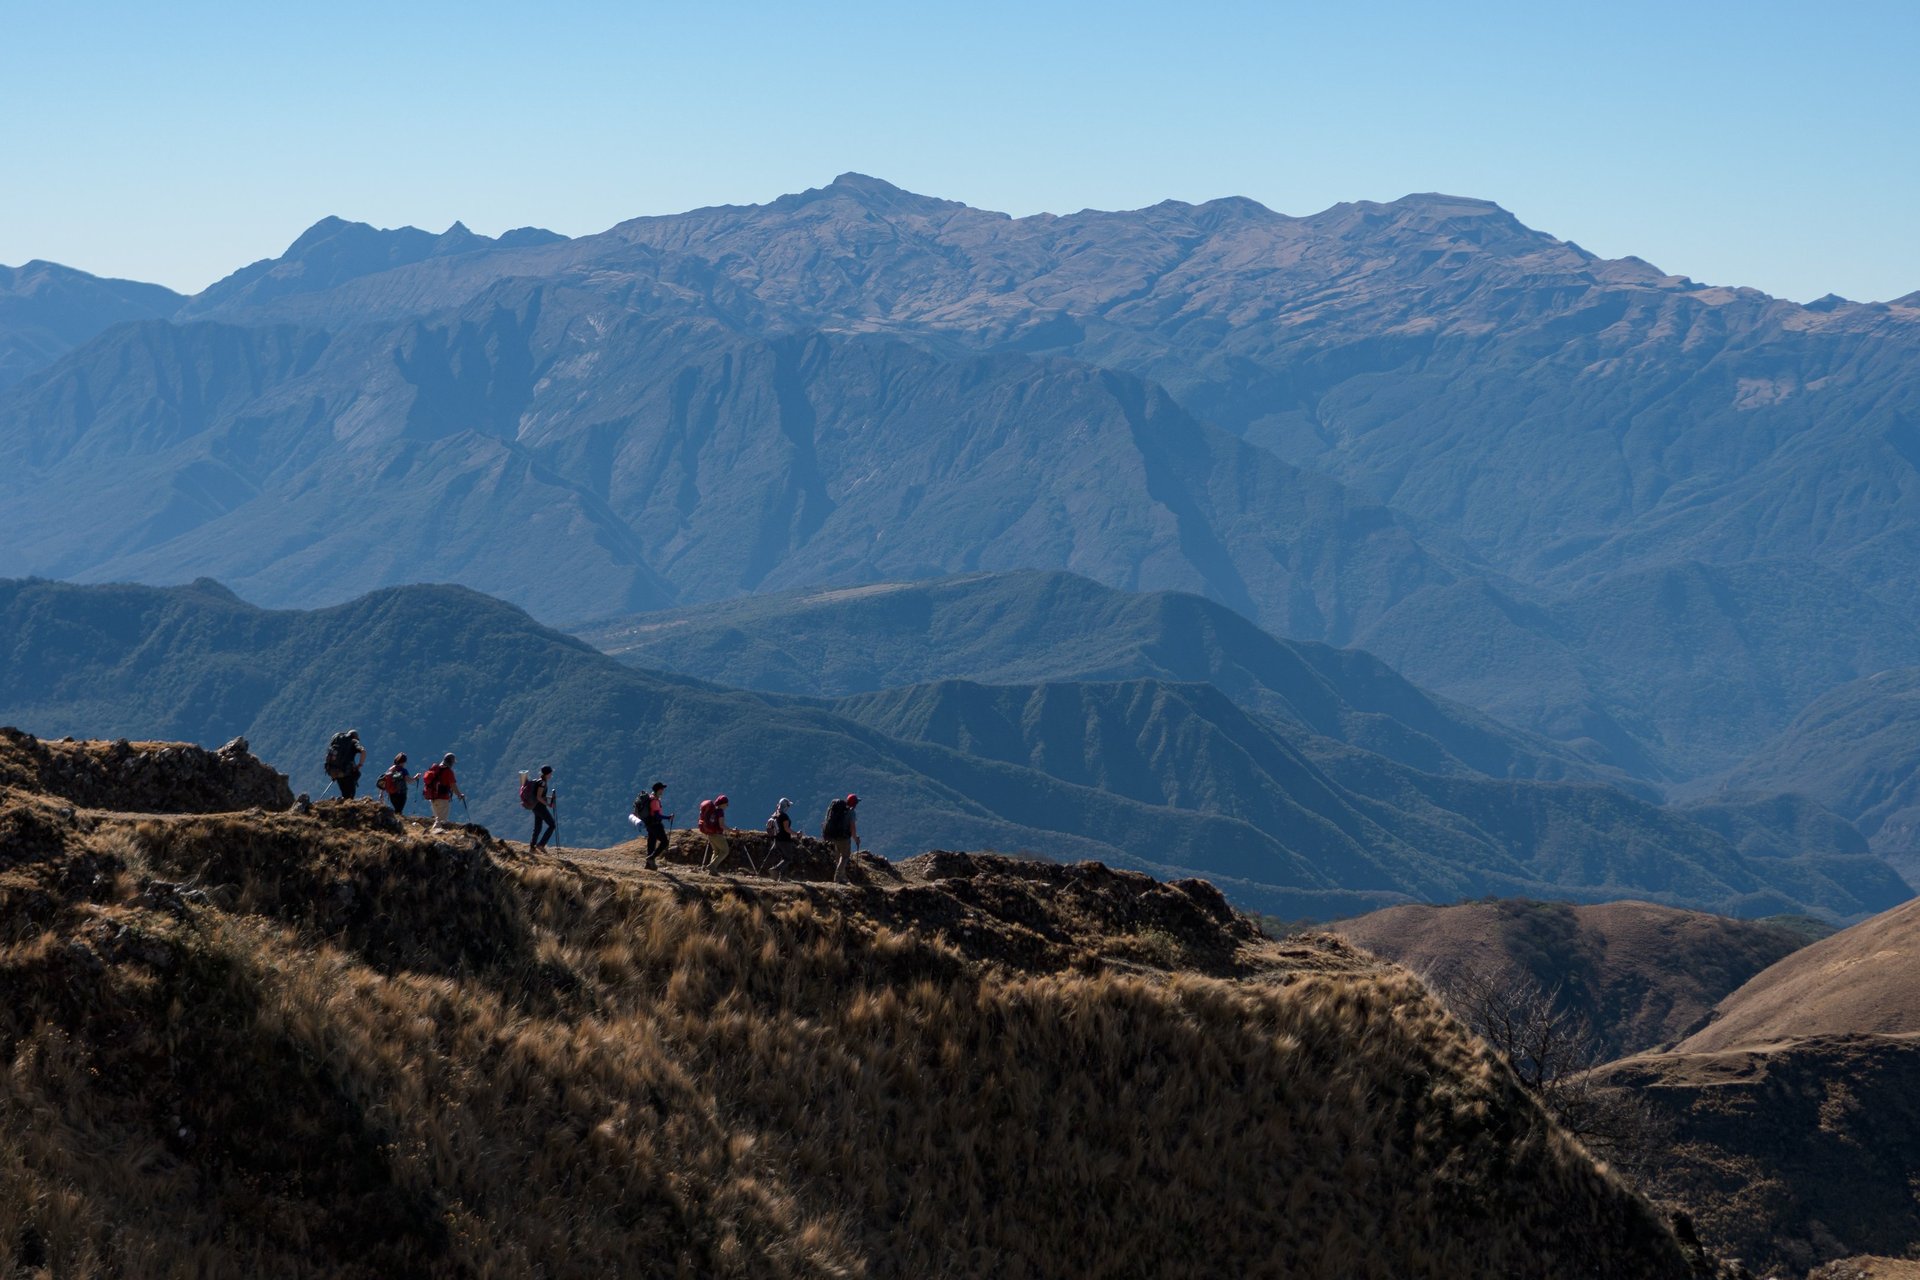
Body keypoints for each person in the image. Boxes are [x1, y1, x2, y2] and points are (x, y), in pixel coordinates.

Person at [421, 753, 466, 833]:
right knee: (441, 820)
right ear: (451, 762)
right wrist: (459, 795)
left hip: (433, 798)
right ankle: (433, 834)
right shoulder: (448, 772)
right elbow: (453, 785)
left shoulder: (435, 768)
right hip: (443, 799)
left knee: (437, 818)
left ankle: (431, 833)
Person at [823, 793, 860, 883]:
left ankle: (842, 877)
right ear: (854, 804)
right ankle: (838, 876)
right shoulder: (851, 812)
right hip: (843, 837)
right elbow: (852, 827)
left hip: (834, 836)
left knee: (838, 856)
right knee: (845, 856)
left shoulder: (840, 810)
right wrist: (855, 839)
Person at [635, 781, 672, 870]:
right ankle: (651, 858)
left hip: (649, 824)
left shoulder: (651, 798)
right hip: (656, 824)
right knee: (665, 842)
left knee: (651, 843)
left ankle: (648, 865)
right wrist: (668, 817)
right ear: (658, 790)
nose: (663, 791)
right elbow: (656, 815)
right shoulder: (655, 801)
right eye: (662, 789)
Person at [324, 729, 366, 800]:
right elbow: (363, 751)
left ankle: (343, 804)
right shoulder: (354, 742)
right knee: (351, 793)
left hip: (335, 771)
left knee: (344, 793)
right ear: (355, 737)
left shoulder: (338, 740)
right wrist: (360, 764)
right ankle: (348, 806)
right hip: (347, 772)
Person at [765, 797, 798, 881]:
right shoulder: (784, 816)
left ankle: (782, 877)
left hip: (777, 840)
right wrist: (797, 834)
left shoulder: (775, 814)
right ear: (786, 806)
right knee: (788, 858)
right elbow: (787, 829)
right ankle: (775, 870)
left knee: (784, 858)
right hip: (785, 840)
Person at [526, 765, 556, 851]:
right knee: (552, 825)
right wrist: (548, 804)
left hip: (535, 807)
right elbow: (539, 797)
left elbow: (540, 796)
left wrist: (550, 798)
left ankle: (532, 847)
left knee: (538, 827)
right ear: (547, 774)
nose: (551, 775)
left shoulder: (539, 781)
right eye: (550, 773)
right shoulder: (542, 783)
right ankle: (541, 845)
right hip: (540, 807)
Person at [698, 794, 731, 871]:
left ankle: (712, 870)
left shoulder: (714, 811)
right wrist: (732, 830)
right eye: (726, 804)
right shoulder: (720, 812)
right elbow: (721, 825)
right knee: (725, 851)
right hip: (717, 835)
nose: (727, 806)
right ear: (723, 804)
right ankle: (712, 866)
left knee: (716, 851)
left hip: (710, 834)